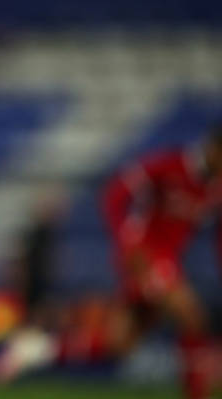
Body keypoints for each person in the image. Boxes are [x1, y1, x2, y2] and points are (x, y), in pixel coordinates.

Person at [102, 125, 222, 399]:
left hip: (169, 262)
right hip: (144, 254)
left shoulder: (216, 188)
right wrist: (125, 240)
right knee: (191, 316)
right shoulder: (171, 165)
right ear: (214, 150)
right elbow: (116, 191)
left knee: (120, 342)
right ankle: (196, 394)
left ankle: (44, 349)